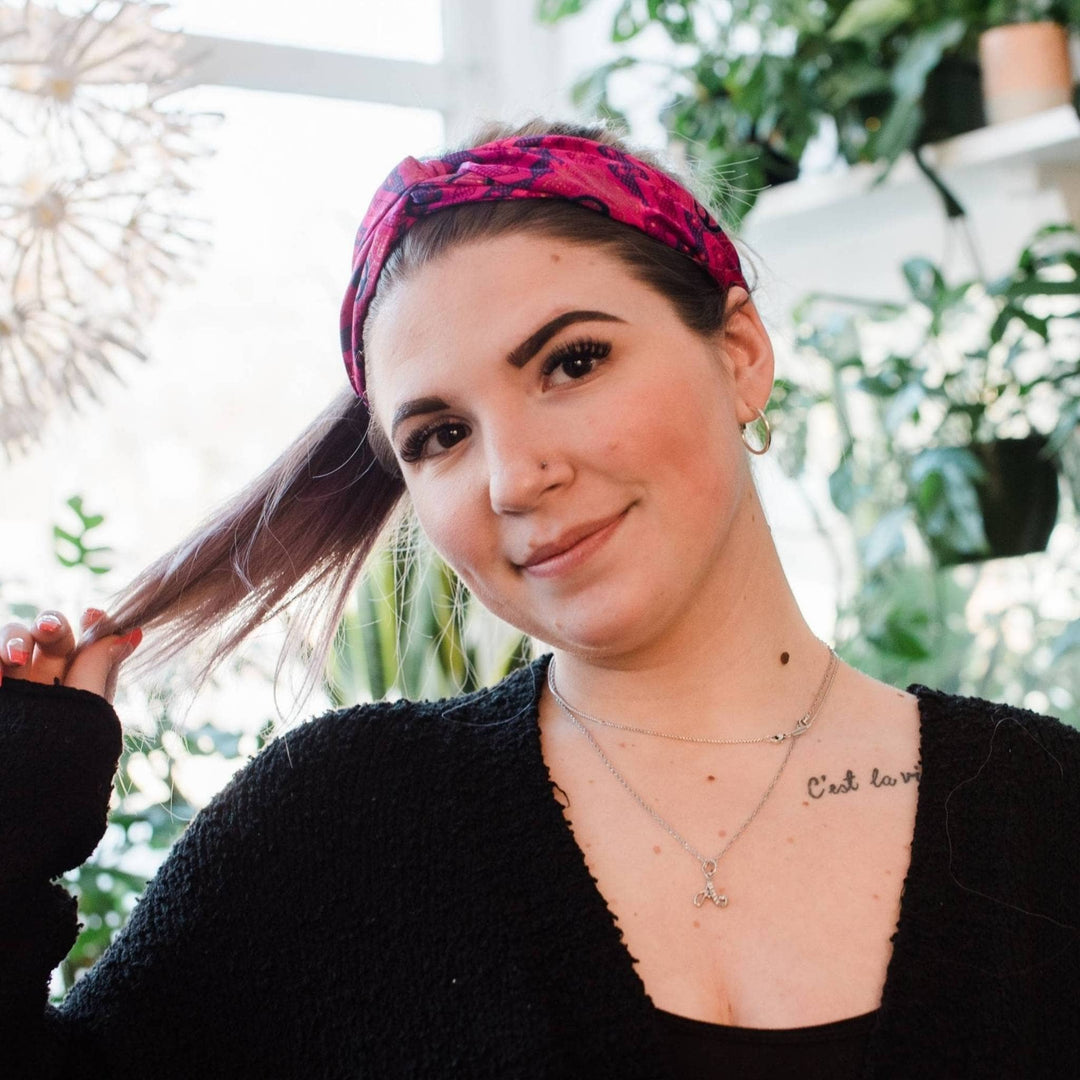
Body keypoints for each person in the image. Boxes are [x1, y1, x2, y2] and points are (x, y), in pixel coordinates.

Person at [2, 119, 1078, 1079]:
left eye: (573, 362)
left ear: (741, 354)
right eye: (439, 436)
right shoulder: (343, 823)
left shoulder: (1045, 812)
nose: (515, 477)